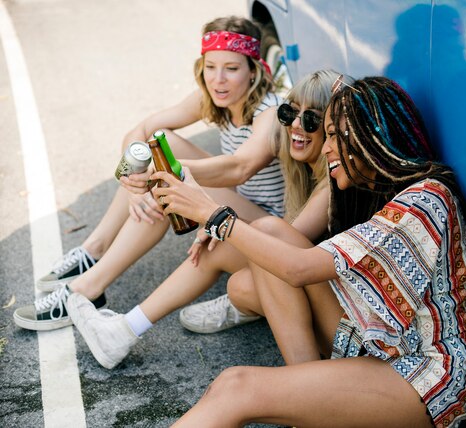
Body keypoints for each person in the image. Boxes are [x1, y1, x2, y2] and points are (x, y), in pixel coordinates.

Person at [69, 76, 466, 427]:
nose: (325, 148)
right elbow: (281, 245)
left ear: (370, 140)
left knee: (237, 386)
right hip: (374, 336)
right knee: (269, 231)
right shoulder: (367, 190)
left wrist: (213, 215)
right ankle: (305, 397)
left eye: (333, 136)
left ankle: (302, 399)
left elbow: (300, 268)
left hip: (423, 371)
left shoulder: (426, 199)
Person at [63, 70, 350, 370]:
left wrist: (219, 223)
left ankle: (119, 327)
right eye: (290, 113)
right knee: (237, 280)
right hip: (305, 272)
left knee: (236, 256)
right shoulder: (300, 159)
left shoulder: (328, 185)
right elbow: (146, 128)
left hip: (330, 298)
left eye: (311, 120)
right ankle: (114, 314)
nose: (295, 125)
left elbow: (281, 240)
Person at [13, 16, 285, 331]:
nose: (218, 80)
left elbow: (239, 167)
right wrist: (133, 178)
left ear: (253, 70)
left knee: (164, 188)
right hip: (237, 205)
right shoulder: (216, 95)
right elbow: (142, 130)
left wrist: (166, 173)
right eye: (210, 67)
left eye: (232, 69)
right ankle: (93, 250)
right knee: (159, 145)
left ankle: (85, 290)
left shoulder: (270, 113)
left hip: (266, 230)